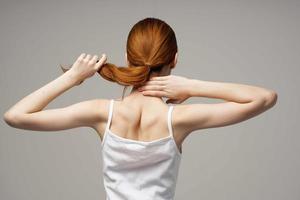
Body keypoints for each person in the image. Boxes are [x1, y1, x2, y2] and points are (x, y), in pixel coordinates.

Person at [3, 17, 277, 200]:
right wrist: (192, 86)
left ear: (127, 57)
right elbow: (264, 98)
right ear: (175, 59)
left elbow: (15, 116)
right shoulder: (178, 119)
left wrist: (72, 78)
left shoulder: (102, 112)